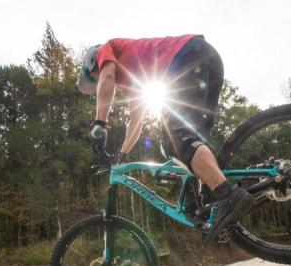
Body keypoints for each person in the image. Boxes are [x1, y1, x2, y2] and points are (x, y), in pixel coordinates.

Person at [77, 34, 253, 242]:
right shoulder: (132, 81)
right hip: (208, 60)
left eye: (95, 78)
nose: (100, 83)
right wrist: (122, 154)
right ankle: (215, 201)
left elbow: (106, 78)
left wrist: (100, 124)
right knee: (192, 145)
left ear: (93, 62)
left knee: (175, 140)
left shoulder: (106, 49)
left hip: (186, 57)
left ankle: (227, 195)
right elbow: (136, 122)